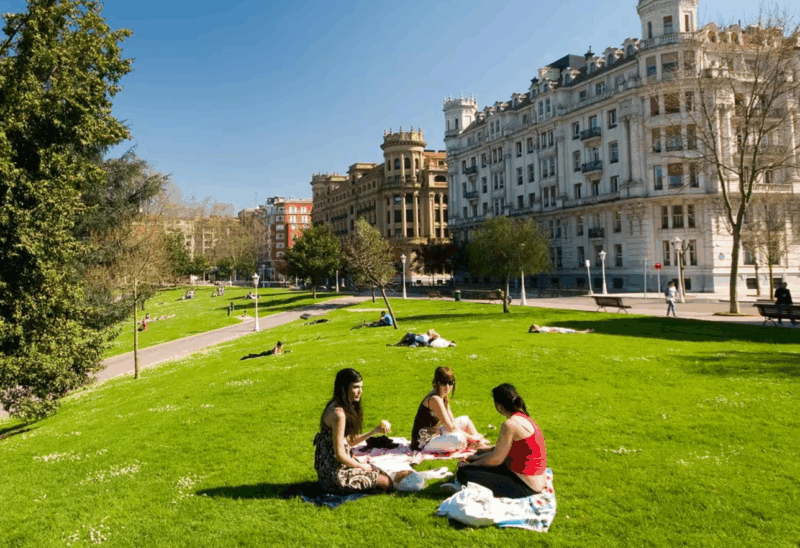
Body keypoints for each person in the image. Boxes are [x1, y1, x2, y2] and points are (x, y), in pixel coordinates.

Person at [445, 383, 547, 498]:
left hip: (525, 485)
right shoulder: (524, 418)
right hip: (532, 479)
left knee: (464, 473)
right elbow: (499, 452)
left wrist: (471, 465)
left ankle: (463, 488)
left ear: (499, 405)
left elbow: (496, 460)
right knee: (479, 454)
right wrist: (475, 458)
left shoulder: (510, 425)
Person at [314, 368, 393, 494]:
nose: (360, 392)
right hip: (334, 477)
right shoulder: (338, 414)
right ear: (343, 388)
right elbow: (339, 455)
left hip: (331, 471)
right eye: (355, 387)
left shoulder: (337, 405)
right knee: (386, 483)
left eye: (361, 387)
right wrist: (361, 466)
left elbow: (348, 441)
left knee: (382, 473)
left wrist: (374, 431)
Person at [411, 367, 489, 453]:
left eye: (450, 383)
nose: (448, 387)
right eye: (443, 383)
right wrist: (471, 438)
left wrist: (467, 435)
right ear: (437, 383)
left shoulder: (443, 397)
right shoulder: (435, 399)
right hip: (423, 442)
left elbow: (452, 422)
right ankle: (477, 444)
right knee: (459, 439)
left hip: (436, 434)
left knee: (465, 420)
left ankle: (481, 444)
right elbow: (450, 428)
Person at [529, 324, 593, 334]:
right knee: (571, 331)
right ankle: (585, 332)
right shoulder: (541, 329)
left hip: (557, 328)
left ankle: (585, 331)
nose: (537, 325)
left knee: (571, 330)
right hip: (557, 330)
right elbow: (550, 331)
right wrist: (556, 331)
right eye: (536, 325)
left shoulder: (541, 328)